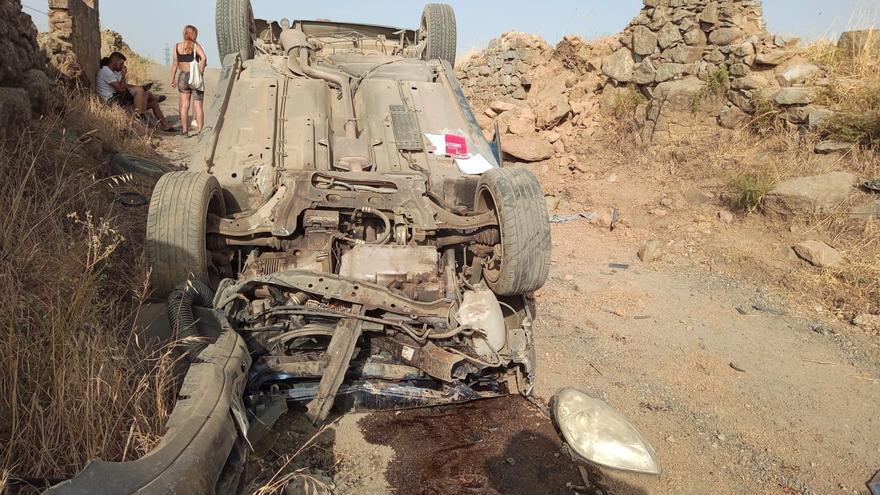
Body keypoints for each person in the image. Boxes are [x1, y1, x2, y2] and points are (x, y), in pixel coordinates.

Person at [96, 51, 176, 132]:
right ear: (115, 62)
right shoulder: (106, 71)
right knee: (140, 90)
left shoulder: (113, 72)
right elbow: (120, 88)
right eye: (121, 64)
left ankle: (166, 126)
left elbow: (124, 85)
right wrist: (123, 75)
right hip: (111, 100)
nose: (122, 66)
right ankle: (139, 116)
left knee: (152, 101)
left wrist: (139, 87)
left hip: (117, 96)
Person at [170, 25, 208, 136]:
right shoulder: (196, 46)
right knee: (198, 105)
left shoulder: (177, 47)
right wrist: (201, 71)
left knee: (184, 105)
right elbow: (204, 58)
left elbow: (175, 64)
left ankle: (185, 130)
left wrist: (172, 78)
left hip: (183, 76)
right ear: (194, 34)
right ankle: (200, 131)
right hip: (195, 77)